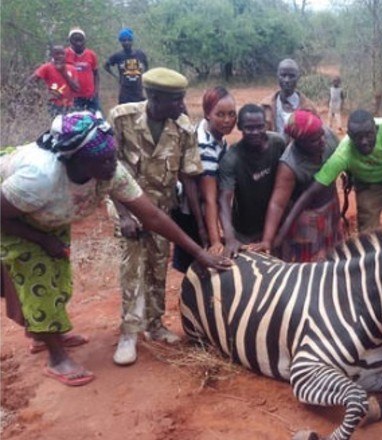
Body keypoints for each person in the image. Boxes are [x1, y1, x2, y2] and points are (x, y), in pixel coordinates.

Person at [0, 112, 230, 386]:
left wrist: (199, 252)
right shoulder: (40, 178)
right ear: (77, 161)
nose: (112, 164)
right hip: (14, 219)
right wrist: (41, 239)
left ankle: (46, 334)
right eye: (104, 160)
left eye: (113, 156)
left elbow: (153, 217)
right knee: (40, 281)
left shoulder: (110, 172)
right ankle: (56, 357)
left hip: (49, 215)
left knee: (59, 277)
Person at [109, 67, 208, 366]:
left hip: (162, 210)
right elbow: (107, 168)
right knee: (133, 266)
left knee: (157, 266)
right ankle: (129, 332)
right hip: (127, 208)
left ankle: (154, 324)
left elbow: (190, 178)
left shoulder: (184, 129)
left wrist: (200, 229)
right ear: (152, 96)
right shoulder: (121, 118)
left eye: (182, 99)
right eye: (175, 100)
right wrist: (125, 216)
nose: (181, 105)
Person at [275, 109, 382, 239]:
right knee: (368, 238)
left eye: (369, 135)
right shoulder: (343, 154)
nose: (364, 141)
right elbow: (311, 192)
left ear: (376, 130)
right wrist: (282, 231)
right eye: (358, 138)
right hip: (368, 188)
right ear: (349, 137)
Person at [253, 109, 342, 262]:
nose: (322, 141)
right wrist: (267, 240)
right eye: (314, 140)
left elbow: (344, 155)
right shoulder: (289, 165)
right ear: (299, 143)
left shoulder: (327, 135)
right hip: (306, 217)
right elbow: (277, 204)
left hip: (331, 206)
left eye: (321, 135)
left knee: (334, 255)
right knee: (310, 265)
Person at [171, 86, 237, 272]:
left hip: (200, 210)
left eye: (232, 114)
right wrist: (215, 239)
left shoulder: (216, 136)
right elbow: (209, 198)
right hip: (192, 213)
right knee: (200, 265)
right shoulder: (205, 146)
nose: (227, 120)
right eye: (221, 114)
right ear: (208, 114)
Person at [218, 104, 287, 257]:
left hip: (276, 225)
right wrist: (229, 238)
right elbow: (224, 200)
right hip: (245, 232)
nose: (255, 132)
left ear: (266, 125)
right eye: (249, 128)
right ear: (240, 127)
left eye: (260, 127)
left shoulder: (278, 144)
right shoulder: (231, 159)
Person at [261, 59, 317, 134]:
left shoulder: (309, 108)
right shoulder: (265, 106)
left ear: (298, 77)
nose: (287, 80)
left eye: (291, 76)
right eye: (283, 75)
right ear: (277, 76)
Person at [27, 45, 80, 116]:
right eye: (57, 54)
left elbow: (76, 88)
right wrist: (42, 93)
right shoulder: (47, 67)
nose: (60, 56)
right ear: (52, 55)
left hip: (69, 106)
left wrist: (64, 73)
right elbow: (30, 81)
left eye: (62, 54)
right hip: (53, 106)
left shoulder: (72, 69)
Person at [104, 28, 149, 104]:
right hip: (125, 92)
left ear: (132, 41)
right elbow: (106, 66)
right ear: (121, 42)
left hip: (138, 91)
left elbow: (146, 65)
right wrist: (116, 77)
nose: (126, 42)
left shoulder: (140, 54)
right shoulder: (118, 56)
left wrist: (144, 76)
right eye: (124, 40)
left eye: (129, 40)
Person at [65, 28, 100, 112]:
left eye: (80, 40)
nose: (78, 43)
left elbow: (96, 74)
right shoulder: (64, 54)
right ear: (70, 41)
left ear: (84, 40)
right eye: (75, 40)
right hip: (73, 97)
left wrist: (96, 91)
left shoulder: (91, 54)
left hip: (90, 95)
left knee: (97, 119)